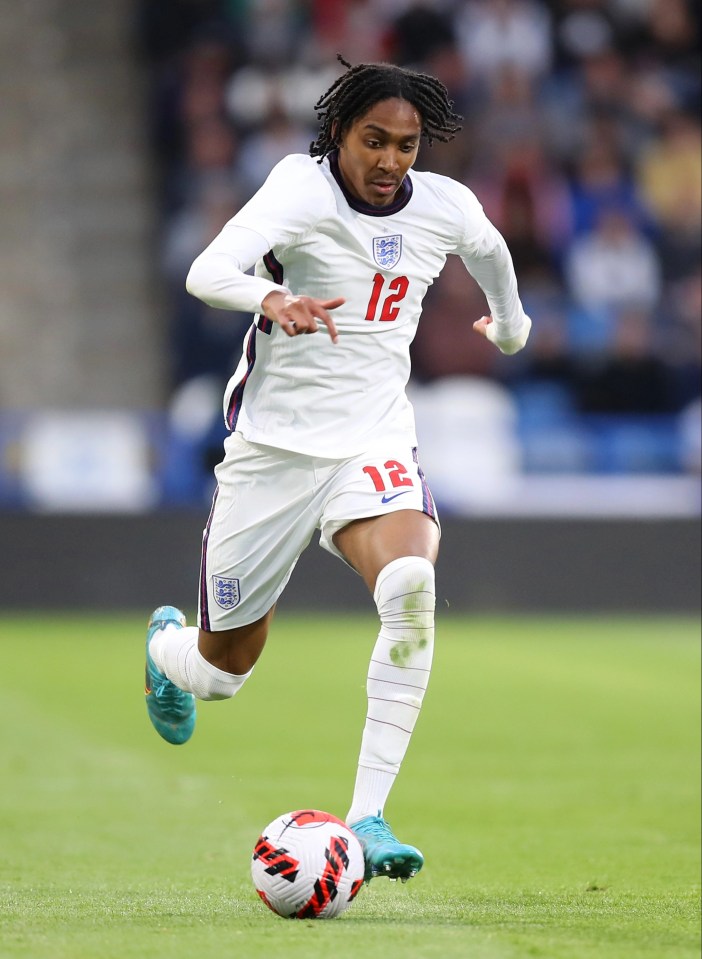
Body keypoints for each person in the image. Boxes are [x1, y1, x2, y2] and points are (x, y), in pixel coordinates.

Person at [144, 56, 531, 884]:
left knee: (411, 589)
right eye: (374, 141)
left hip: (373, 441)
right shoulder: (299, 188)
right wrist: (269, 299)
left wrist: (509, 322)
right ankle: (167, 649)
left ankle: (368, 815)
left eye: (407, 144)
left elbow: (491, 249)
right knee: (220, 675)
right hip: (273, 454)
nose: (392, 161)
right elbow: (205, 272)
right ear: (338, 137)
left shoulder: (443, 204)